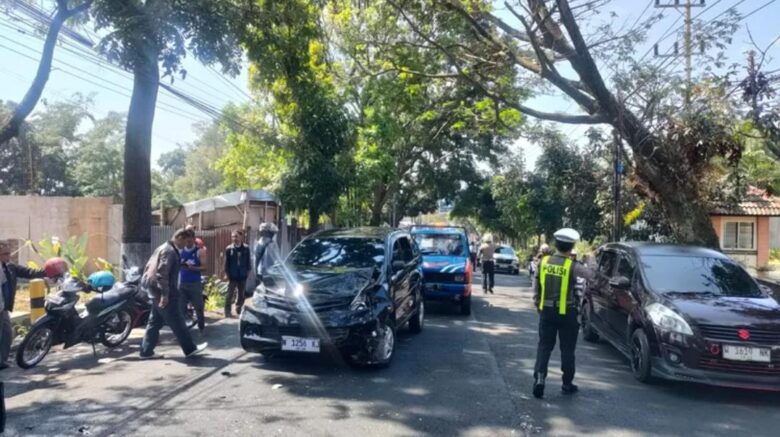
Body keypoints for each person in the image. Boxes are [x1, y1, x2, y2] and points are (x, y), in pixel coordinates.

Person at [532, 228, 589, 399]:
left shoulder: (543, 262)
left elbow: (536, 287)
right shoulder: (574, 266)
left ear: (555, 244)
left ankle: (540, 378)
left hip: (547, 311)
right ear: (571, 246)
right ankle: (566, 383)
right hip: (568, 314)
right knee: (567, 350)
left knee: (544, 346)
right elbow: (592, 276)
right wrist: (590, 260)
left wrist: (538, 304)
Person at [140, 228, 207, 359]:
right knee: (178, 322)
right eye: (185, 241)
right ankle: (190, 349)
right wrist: (165, 295)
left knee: (154, 322)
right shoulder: (170, 251)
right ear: (179, 238)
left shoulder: (163, 247)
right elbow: (162, 273)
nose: (185, 245)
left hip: (154, 291)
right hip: (164, 292)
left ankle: (146, 351)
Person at [0, 243, 48, 369]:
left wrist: (49, 271)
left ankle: (2, 362)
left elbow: (29, 272)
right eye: (5, 254)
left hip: (3, 308)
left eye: (8, 253)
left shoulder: (9, 267)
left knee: (6, 334)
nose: (8, 256)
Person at [179, 232, 206, 334]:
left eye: (190, 238)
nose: (188, 240)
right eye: (186, 238)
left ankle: (201, 327)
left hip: (195, 283)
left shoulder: (200, 252)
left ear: (194, 238)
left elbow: (204, 267)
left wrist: (192, 268)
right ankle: (182, 331)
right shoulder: (180, 251)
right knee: (181, 309)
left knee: (198, 307)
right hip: (182, 284)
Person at [224, 230, 251, 318]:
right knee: (229, 294)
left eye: (236, 236)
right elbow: (226, 263)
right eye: (233, 236)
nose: (234, 238)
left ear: (241, 237)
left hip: (242, 275)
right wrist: (226, 273)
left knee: (241, 294)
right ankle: (227, 311)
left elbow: (248, 262)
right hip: (233, 275)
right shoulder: (229, 249)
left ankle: (239, 309)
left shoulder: (246, 248)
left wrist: (248, 272)